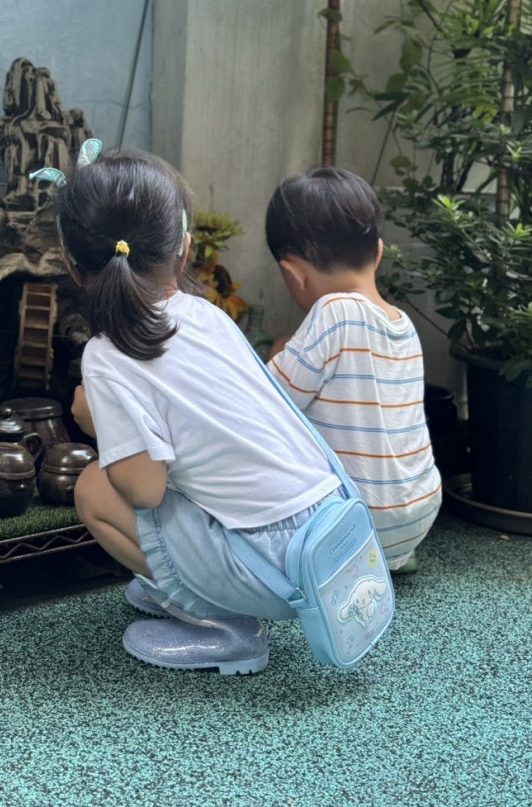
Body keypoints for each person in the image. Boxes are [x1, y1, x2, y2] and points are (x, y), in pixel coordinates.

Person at [54, 151, 357, 676]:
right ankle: (192, 584)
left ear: (72, 268)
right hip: (329, 536)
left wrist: (96, 424)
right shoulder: (208, 316)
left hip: (272, 569)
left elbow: (144, 489)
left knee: (94, 488)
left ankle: (223, 623)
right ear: (185, 251)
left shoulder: (106, 356)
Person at [264, 166, 442, 573]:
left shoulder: (334, 312)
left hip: (348, 521)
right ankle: (388, 554)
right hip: (416, 515)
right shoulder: (403, 325)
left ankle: (359, 553)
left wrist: (279, 350)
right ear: (378, 253)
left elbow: (269, 405)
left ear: (293, 273)